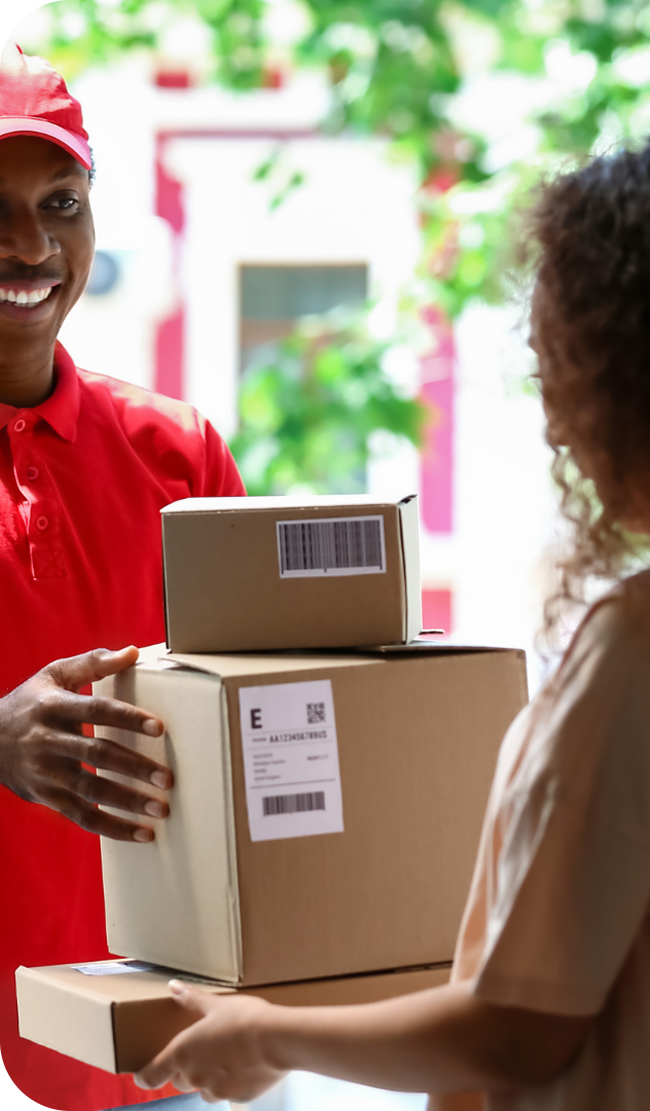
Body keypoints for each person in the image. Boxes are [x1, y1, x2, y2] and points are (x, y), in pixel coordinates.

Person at [135, 142, 650, 1110]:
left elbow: (518, 1031)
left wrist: (268, 1033)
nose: (545, 410)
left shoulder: (631, 650)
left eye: (551, 358)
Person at [0, 44, 245, 1111]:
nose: (30, 244)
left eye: (61, 200)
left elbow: (259, 722)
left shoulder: (177, 454)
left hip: (160, 1063)